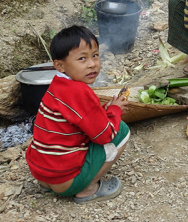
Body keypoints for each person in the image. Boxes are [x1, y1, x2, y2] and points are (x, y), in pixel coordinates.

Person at [25, 25, 130, 203]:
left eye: (95, 55)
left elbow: (78, 121)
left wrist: (104, 111)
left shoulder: (57, 85)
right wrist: (115, 111)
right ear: (59, 65)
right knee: (121, 130)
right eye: (82, 58)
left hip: (42, 175)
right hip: (66, 182)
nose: (92, 64)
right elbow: (104, 136)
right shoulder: (79, 92)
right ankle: (87, 189)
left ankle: (52, 185)